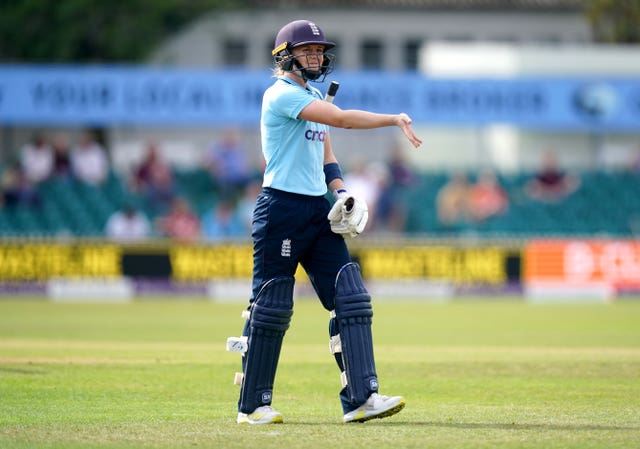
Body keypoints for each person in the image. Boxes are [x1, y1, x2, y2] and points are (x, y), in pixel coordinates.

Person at [232, 19, 422, 426]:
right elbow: (344, 121)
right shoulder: (280, 95)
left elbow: (326, 154)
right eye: (308, 50)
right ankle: (253, 406)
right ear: (286, 56)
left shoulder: (313, 96)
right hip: (280, 209)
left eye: (320, 51)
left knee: (351, 296)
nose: (317, 56)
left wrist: (340, 191)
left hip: (317, 209)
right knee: (272, 306)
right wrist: (393, 119)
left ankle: (361, 398)